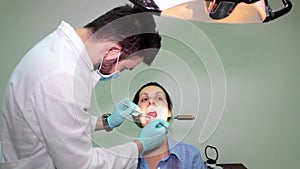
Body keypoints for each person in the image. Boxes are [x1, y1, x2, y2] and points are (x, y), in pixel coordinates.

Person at [1, 4, 170, 169]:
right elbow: (81, 165)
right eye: (124, 68)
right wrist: (140, 145)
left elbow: (57, 122)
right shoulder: (63, 76)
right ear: (112, 52)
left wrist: (106, 122)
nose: (119, 73)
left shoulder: (59, 50)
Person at [132, 82, 207, 169]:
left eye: (159, 98)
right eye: (144, 99)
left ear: (169, 112)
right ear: (137, 115)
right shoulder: (125, 159)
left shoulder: (191, 156)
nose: (151, 102)